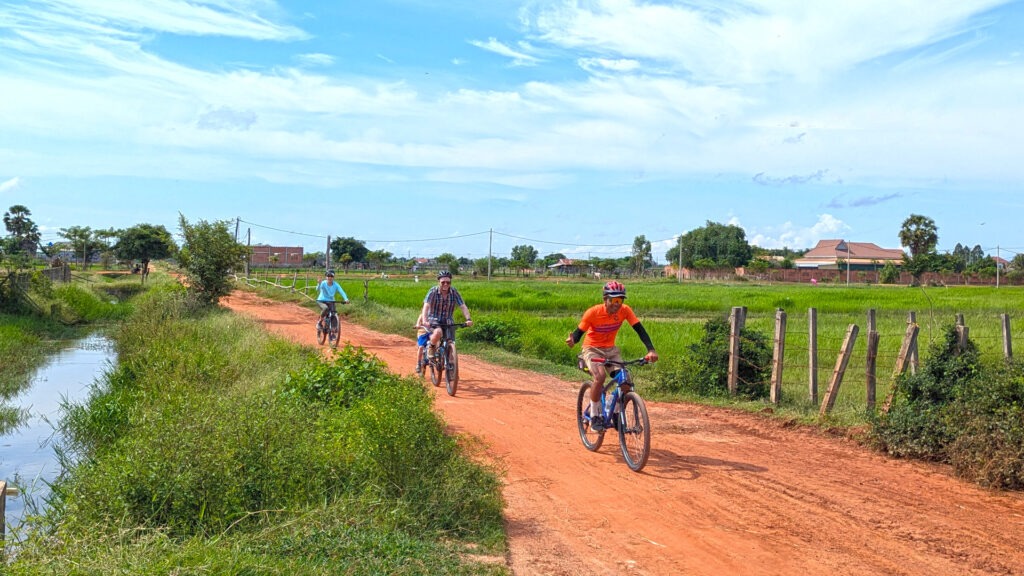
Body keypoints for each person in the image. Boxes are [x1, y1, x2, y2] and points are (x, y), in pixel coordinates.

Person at [565, 281, 658, 431]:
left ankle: (614, 411)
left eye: (620, 300)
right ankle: (595, 415)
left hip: (611, 350)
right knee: (600, 376)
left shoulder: (625, 311)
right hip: (592, 349)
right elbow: (578, 332)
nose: (617, 304)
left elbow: (640, 330)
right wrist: (572, 340)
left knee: (625, 380)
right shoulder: (593, 312)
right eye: (613, 300)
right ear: (605, 299)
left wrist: (651, 350)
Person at [420, 270, 473, 358]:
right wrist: (425, 320)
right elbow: (426, 306)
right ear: (438, 282)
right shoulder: (433, 291)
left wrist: (468, 319)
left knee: (451, 341)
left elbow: (462, 306)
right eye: (443, 282)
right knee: (438, 332)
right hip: (434, 319)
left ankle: (450, 361)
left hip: (448, 320)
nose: (445, 284)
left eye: (448, 282)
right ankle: (431, 347)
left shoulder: (454, 292)